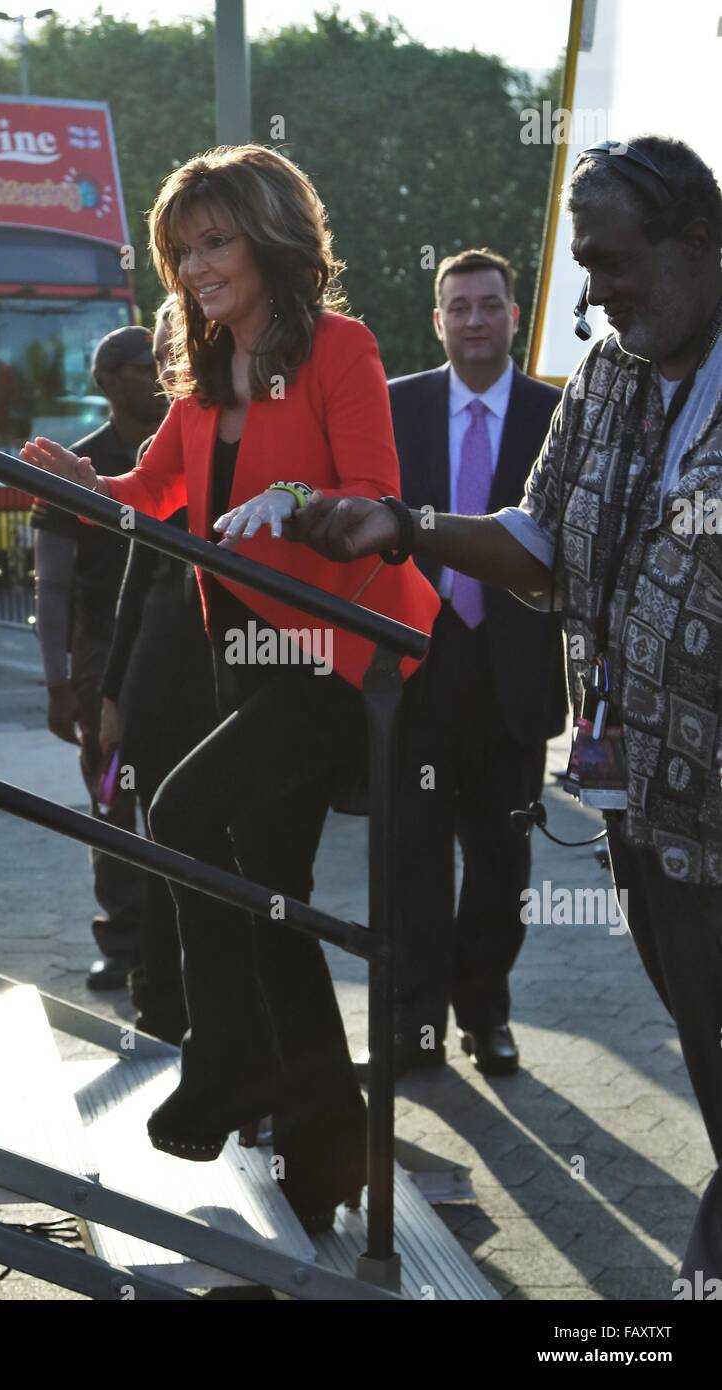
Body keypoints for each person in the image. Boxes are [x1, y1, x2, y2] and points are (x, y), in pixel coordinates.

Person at [290, 135, 722, 1276]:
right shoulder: (614, 374)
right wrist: (406, 523)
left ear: (697, 247)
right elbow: (538, 543)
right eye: (581, 266)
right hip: (650, 819)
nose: (594, 295)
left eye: (613, 262)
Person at [20, 143, 440, 1230]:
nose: (197, 266)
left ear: (270, 237)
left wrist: (296, 499)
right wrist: (82, 484)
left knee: (185, 809)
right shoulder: (203, 366)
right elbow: (150, 492)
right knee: (270, 890)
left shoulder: (339, 347)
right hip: (241, 646)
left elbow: (374, 502)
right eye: (181, 250)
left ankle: (228, 1057)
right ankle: (326, 1138)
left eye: (216, 241)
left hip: (340, 654)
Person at [381, 248, 565, 1078]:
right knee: (411, 855)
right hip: (418, 665)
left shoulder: (557, 413)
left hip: (513, 672)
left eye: (490, 305)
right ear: (438, 320)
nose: (475, 320)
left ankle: (484, 1014)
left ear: (514, 316)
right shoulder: (395, 408)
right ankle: (413, 1026)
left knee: (501, 860)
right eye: (459, 307)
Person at [98, 297, 217, 1044]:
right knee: (160, 858)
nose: (171, 363)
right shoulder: (168, 451)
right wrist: (111, 694)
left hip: (234, 685)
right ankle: (160, 1010)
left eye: (183, 345)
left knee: (219, 870)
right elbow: (135, 583)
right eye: (166, 349)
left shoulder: (240, 429)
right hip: (159, 685)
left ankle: (222, 1024)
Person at [32, 326, 165, 990]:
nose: (160, 375)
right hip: (101, 648)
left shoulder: (183, 445)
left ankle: (178, 937)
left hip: (173, 639)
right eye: (146, 367)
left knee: (177, 792)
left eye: (166, 363)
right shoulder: (75, 465)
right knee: (111, 793)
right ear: (108, 380)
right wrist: (58, 683)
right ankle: (122, 939)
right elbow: (51, 585)